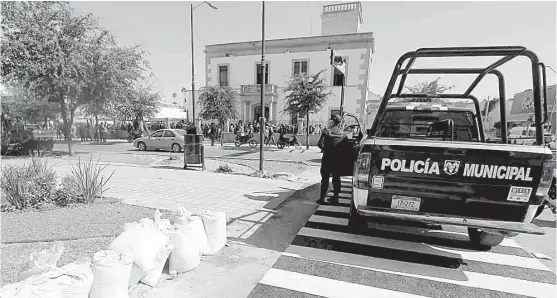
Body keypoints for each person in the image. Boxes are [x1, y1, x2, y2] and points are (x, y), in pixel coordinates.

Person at [317, 114, 344, 205]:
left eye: (330, 121)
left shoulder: (326, 131)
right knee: (336, 179)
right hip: (337, 160)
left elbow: (319, 144)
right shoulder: (342, 133)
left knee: (325, 179)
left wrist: (326, 148)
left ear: (332, 122)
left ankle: (322, 199)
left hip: (327, 159)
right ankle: (335, 198)